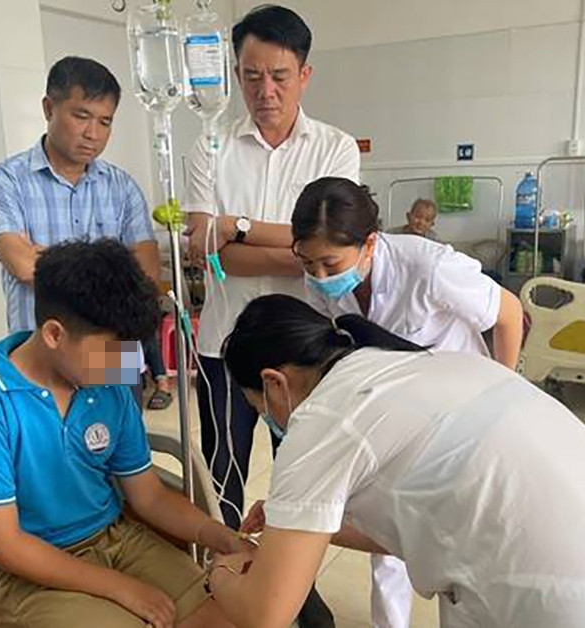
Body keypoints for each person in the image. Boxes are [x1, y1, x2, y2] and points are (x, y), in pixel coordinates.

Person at [204, 294, 585, 628]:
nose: (271, 420)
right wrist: (307, 527)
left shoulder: (321, 420)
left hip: (568, 606)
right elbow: (428, 526)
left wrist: (221, 573)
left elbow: (267, 614)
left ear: (274, 382)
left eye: (259, 408)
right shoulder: (430, 365)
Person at [0, 239, 243, 628]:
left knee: (225, 614)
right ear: (54, 334)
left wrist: (219, 536)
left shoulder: (109, 381)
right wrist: (120, 588)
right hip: (19, 570)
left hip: (114, 537)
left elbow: (149, 496)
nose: (125, 365)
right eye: (110, 352)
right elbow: (2, 544)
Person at [184, 7, 359, 624]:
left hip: (305, 352)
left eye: (279, 76)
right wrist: (290, 245)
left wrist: (236, 227)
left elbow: (329, 247)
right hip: (223, 346)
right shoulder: (209, 145)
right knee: (223, 474)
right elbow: (202, 245)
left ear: (304, 74)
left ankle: (294, 593)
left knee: (302, 480)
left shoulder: (334, 147)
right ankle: (228, 580)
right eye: (251, 75)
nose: (265, 91)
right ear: (235, 74)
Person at [291, 177, 523, 628]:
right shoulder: (318, 283)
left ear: (369, 243)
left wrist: (506, 395)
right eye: (308, 263)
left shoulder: (429, 267)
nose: (319, 277)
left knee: (465, 537)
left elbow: (509, 314)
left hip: (464, 407)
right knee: (387, 528)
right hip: (394, 410)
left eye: (330, 263)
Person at [0, 56, 159, 407]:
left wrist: (47, 259)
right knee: (44, 439)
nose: (93, 133)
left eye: (105, 122)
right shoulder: (6, 181)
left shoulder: (123, 187)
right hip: (38, 351)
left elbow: (148, 274)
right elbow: (23, 266)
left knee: (121, 437)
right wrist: (112, 271)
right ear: (49, 108)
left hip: (113, 352)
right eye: (81, 116)